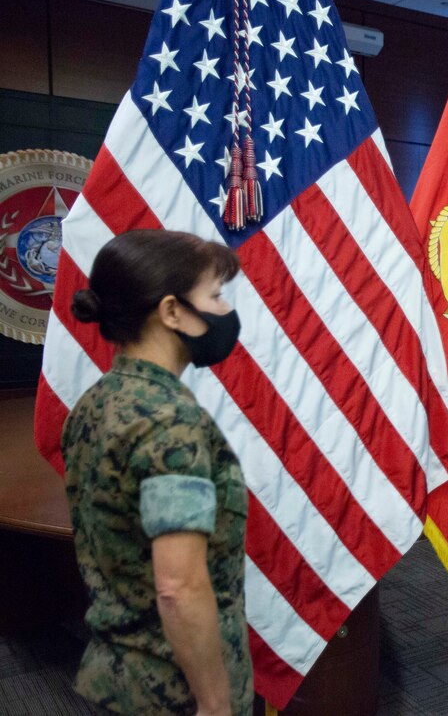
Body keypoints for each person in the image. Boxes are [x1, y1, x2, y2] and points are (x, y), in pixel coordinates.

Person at [62, 229, 252, 715]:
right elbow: (178, 586)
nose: (223, 309)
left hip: (116, 678)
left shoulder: (96, 402)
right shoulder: (170, 422)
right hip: (172, 692)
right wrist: (215, 705)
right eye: (213, 295)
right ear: (171, 312)